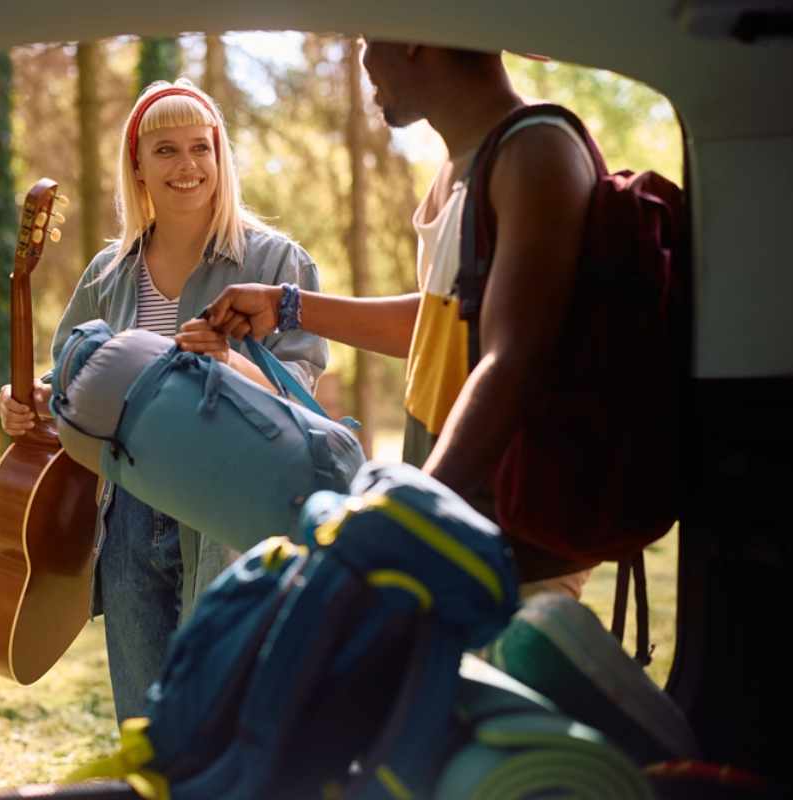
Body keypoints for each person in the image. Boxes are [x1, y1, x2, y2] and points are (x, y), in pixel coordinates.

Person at [193, 42, 598, 600]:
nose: (363, 62)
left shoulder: (536, 151)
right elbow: (436, 327)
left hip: (513, 543)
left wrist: (410, 512)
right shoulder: (456, 171)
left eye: (367, 36)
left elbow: (514, 359)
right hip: (453, 524)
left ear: (411, 37)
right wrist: (287, 305)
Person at [0, 78, 328, 723]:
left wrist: (228, 361)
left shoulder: (276, 261)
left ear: (221, 158)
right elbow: (68, 386)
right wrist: (23, 401)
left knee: (224, 707)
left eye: (201, 147)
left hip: (230, 514)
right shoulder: (108, 272)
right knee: (144, 717)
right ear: (138, 167)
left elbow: (301, 394)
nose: (187, 165)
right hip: (125, 516)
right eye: (166, 150)